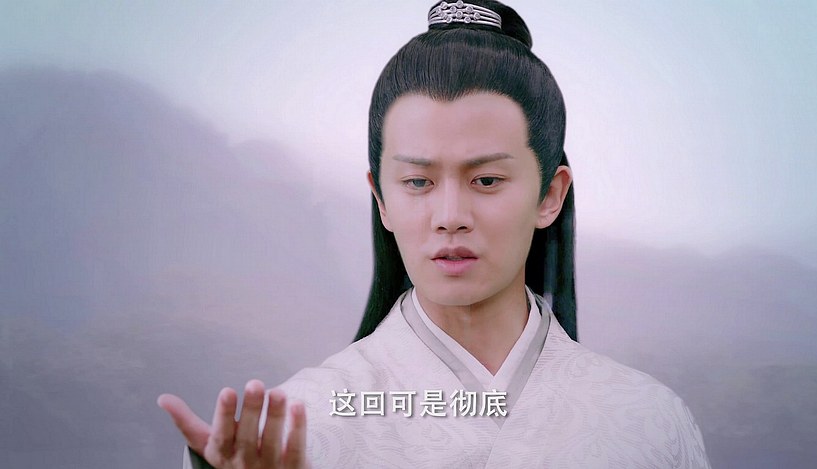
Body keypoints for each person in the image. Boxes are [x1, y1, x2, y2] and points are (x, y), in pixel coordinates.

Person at [159, 1, 711, 467]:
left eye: (486, 180)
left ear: (550, 194)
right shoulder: (301, 425)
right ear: (381, 198)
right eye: (418, 182)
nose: (450, 216)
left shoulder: (647, 420)